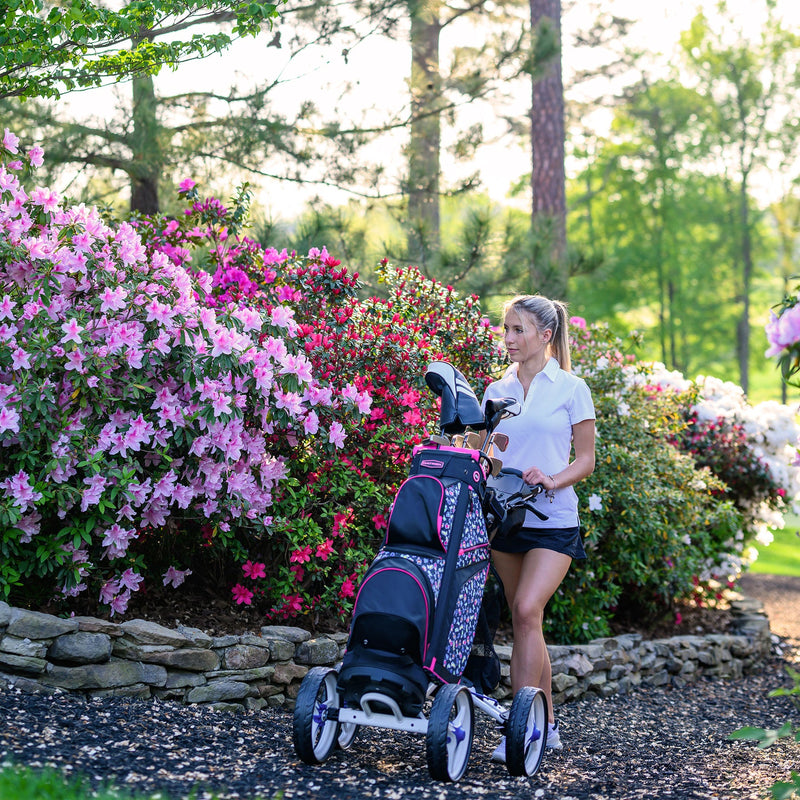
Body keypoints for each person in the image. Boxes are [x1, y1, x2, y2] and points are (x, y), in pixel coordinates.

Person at [482, 294, 596, 763]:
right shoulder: (495, 390)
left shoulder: (572, 388)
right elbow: (484, 455)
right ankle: (546, 725)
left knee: (528, 608)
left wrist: (551, 478)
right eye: (505, 329)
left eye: (518, 330)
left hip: (553, 519)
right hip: (505, 519)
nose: (508, 338)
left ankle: (519, 728)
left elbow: (586, 461)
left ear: (545, 335)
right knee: (526, 619)